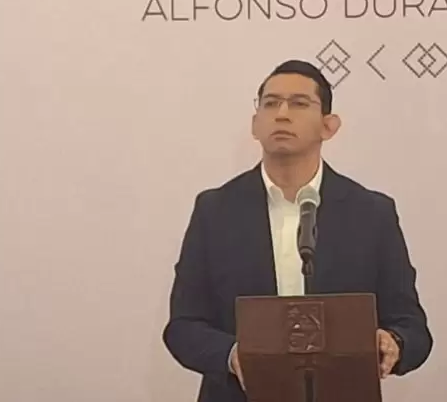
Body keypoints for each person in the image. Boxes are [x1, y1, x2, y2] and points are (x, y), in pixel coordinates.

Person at [162, 60, 432, 402]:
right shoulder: (215, 211)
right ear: (255, 124)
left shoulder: (371, 213)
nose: (282, 114)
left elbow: (412, 327)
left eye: (299, 103)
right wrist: (232, 355)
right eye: (271, 103)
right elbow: (183, 326)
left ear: (329, 126)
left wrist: (394, 343)